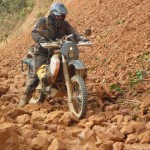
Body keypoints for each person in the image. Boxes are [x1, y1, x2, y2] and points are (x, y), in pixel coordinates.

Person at [18, 2, 88, 107]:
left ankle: (72, 87)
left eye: (62, 15)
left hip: (60, 50)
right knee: (35, 76)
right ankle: (24, 100)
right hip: (43, 51)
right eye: (58, 15)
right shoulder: (44, 21)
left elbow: (73, 32)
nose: (60, 17)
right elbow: (35, 32)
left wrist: (81, 37)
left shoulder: (64, 24)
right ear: (53, 14)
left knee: (73, 62)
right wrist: (41, 39)